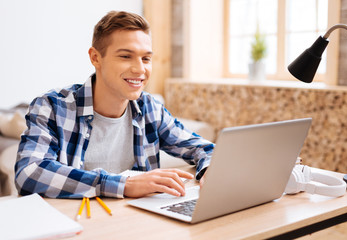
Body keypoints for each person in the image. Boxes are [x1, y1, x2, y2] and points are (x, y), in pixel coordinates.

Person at [14, 11, 214, 199]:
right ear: (95, 57)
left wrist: (210, 168)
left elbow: (204, 148)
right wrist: (123, 185)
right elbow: (29, 172)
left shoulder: (149, 108)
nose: (140, 69)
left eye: (146, 58)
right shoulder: (52, 107)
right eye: (126, 56)